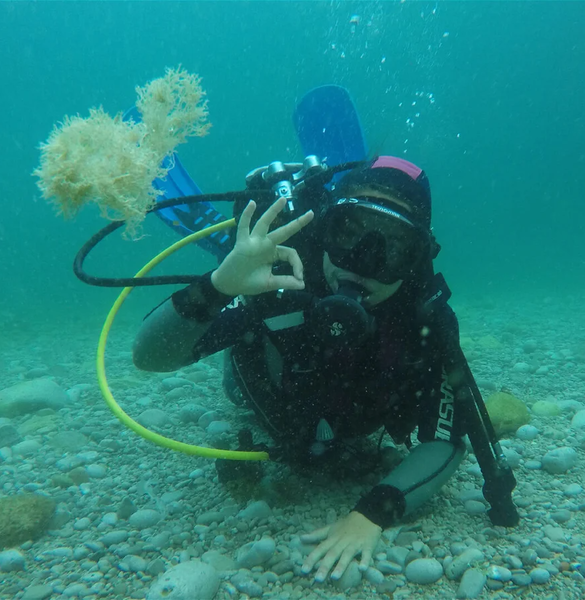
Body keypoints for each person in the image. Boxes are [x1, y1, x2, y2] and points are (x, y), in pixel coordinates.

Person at [132, 156, 498, 583]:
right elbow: (150, 357)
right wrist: (218, 287)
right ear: (325, 229)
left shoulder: (424, 321)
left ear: (417, 260)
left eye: (394, 247)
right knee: (235, 389)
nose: (361, 261)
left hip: (345, 427)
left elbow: (445, 443)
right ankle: (231, 253)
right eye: (349, 233)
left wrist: (374, 512)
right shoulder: (277, 282)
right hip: (265, 395)